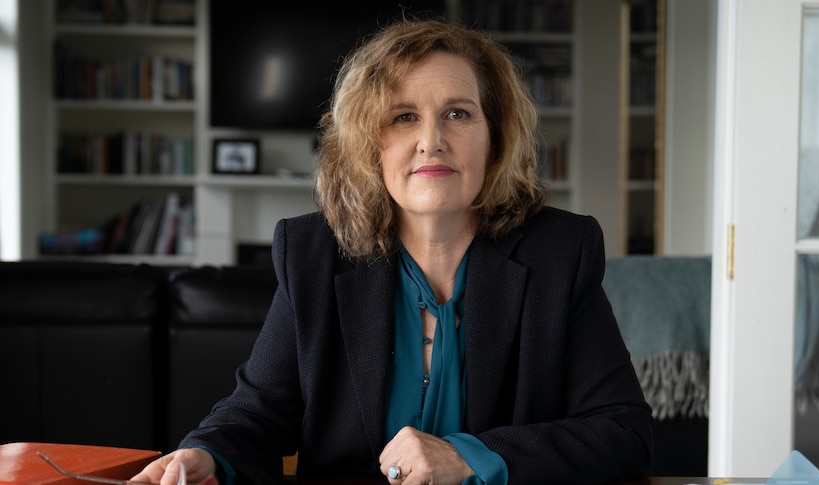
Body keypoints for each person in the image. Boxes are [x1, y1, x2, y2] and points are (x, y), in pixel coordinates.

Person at [133, 18, 654, 485]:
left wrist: (469, 457)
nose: (432, 140)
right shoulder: (312, 253)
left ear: (494, 139)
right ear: (368, 143)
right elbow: (258, 411)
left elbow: (622, 432)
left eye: (458, 113)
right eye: (403, 116)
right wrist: (205, 454)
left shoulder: (560, 252)